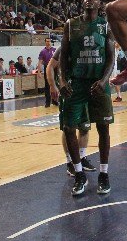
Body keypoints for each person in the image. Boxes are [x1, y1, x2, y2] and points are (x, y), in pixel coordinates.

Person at [59, 0, 115, 195]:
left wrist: (104, 80)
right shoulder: (70, 24)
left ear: (100, 5)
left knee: (103, 129)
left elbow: (111, 57)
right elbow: (63, 56)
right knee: (68, 127)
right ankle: (79, 173)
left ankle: (104, 174)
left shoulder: (105, 26)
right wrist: (63, 81)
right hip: (77, 84)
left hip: (99, 84)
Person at [46, 46, 97, 176]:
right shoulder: (63, 48)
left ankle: (82, 157)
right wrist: (53, 86)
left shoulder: (86, 45)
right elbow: (50, 66)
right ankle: (70, 162)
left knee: (85, 127)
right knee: (68, 128)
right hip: (68, 92)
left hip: (84, 91)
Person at [37, 37, 56, 107]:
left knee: (55, 84)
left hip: (54, 68)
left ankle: (55, 100)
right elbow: (40, 62)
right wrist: (39, 71)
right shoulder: (43, 51)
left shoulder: (54, 50)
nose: (48, 42)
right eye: (47, 41)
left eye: (49, 41)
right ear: (45, 42)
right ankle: (47, 102)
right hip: (47, 68)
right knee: (47, 86)